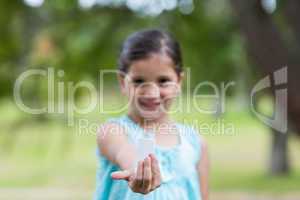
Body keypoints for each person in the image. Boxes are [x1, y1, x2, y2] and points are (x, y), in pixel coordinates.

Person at [94, 29, 209, 200]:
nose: (151, 93)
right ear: (122, 82)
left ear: (179, 82)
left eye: (163, 81)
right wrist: (136, 171)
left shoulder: (195, 143)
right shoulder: (112, 132)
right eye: (139, 81)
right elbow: (125, 153)